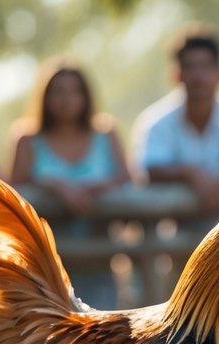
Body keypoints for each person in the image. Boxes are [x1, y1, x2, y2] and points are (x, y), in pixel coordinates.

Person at [11, 59, 130, 309]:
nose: (66, 99)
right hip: (45, 271)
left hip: (98, 262)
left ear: (85, 96)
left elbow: (126, 180)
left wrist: (97, 188)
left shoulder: (106, 135)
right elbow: (14, 192)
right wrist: (51, 185)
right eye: (58, 91)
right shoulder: (28, 140)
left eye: (74, 91)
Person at [131, 27, 219, 213]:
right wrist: (191, 173)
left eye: (205, 66)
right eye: (190, 66)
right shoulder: (156, 121)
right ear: (176, 75)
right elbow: (150, 169)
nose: (198, 76)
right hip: (173, 232)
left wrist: (213, 186)